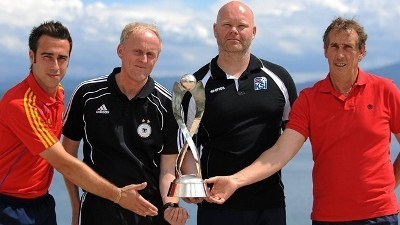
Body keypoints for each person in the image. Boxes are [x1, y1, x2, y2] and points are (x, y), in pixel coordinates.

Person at [206, 17, 400, 225]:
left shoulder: (385, 90)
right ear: (325, 51)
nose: (340, 54)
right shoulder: (309, 99)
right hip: (328, 217)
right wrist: (234, 181)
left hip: (380, 216)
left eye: (348, 46)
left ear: (361, 52)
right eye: (334, 46)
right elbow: (280, 153)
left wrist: (390, 184)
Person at [0, 21, 160, 225]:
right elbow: (65, 163)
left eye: (62, 58)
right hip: (8, 205)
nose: (55, 66)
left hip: (41, 202)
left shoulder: (58, 93)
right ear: (32, 57)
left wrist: (76, 207)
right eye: (47, 56)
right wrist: (119, 196)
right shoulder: (21, 104)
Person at [181, 1, 297, 225]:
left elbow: (294, 136)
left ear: (253, 32)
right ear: (215, 30)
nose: (234, 31)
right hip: (216, 206)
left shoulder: (279, 78)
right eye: (226, 24)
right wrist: (192, 179)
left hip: (269, 204)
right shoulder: (195, 86)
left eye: (241, 26)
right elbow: (188, 146)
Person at [62, 22, 189, 225]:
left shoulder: (168, 105)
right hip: (97, 214)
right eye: (137, 51)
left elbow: (168, 171)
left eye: (151, 54)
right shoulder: (87, 95)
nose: (144, 59)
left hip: (149, 214)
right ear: (120, 51)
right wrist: (76, 208)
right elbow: (67, 160)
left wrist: (171, 206)